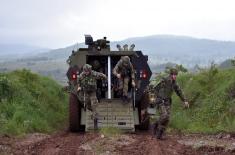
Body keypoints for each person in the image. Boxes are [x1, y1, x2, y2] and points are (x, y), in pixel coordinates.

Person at [153, 68, 189, 139]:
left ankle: (160, 134)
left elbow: (179, 92)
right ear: (171, 75)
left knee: (167, 118)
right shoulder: (165, 80)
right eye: (174, 75)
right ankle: (156, 124)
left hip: (167, 101)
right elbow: (155, 88)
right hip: (160, 101)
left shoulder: (174, 83)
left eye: (176, 75)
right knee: (165, 115)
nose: (175, 76)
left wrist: (185, 100)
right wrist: (158, 97)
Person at [77, 64, 107, 130]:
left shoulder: (93, 74)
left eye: (87, 71)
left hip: (93, 92)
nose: (86, 72)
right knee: (87, 105)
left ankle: (95, 122)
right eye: (85, 71)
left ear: (90, 70)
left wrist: (104, 79)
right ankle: (94, 113)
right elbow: (78, 80)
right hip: (86, 92)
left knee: (94, 106)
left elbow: (102, 75)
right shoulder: (82, 75)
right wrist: (79, 86)